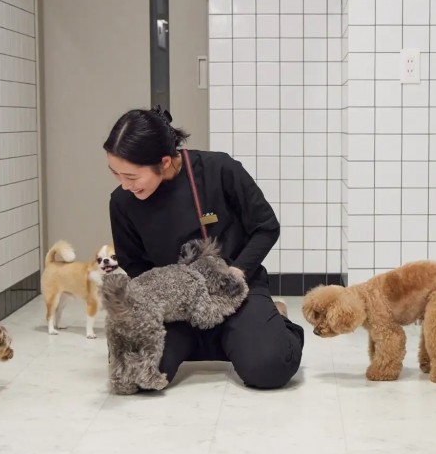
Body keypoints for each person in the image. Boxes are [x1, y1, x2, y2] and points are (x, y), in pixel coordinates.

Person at [105, 107, 304, 389]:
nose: (125, 185)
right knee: (136, 375)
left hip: (234, 290)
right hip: (173, 304)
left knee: (269, 367)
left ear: (164, 162)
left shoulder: (219, 170)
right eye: (116, 174)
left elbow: (266, 227)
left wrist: (237, 272)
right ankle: (215, 339)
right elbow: (134, 262)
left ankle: (274, 320)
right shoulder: (122, 202)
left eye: (132, 176)